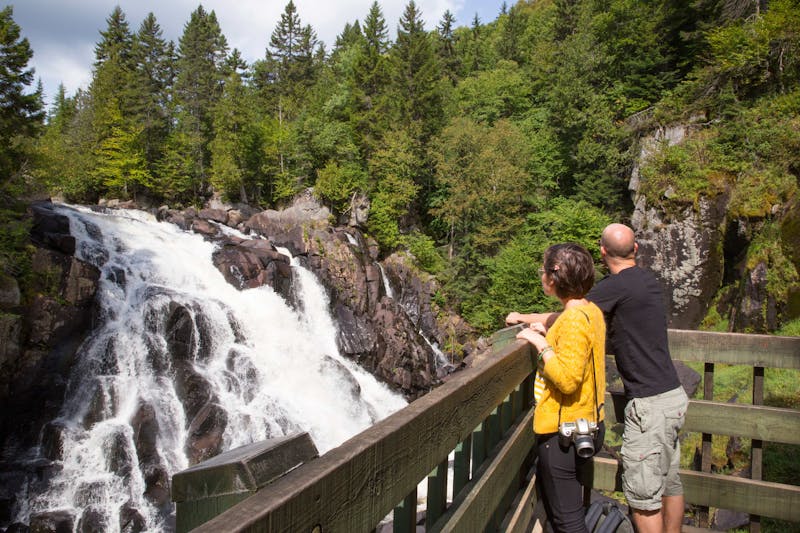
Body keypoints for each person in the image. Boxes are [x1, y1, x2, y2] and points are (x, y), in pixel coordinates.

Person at [507, 224, 688, 533]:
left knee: (644, 500)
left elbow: (571, 324)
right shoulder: (645, 280)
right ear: (637, 250)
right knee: (670, 484)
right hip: (672, 396)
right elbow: (575, 316)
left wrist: (535, 335)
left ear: (603, 252)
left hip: (646, 406)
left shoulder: (608, 293)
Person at [513, 242, 606, 533]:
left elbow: (567, 379)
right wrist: (550, 335)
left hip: (563, 432)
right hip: (586, 423)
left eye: (543, 270)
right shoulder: (590, 311)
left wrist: (541, 345)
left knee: (568, 522)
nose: (541, 276)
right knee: (562, 514)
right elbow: (576, 352)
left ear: (553, 279)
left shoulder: (574, 320)